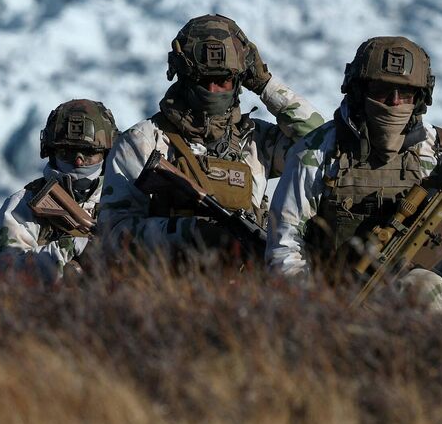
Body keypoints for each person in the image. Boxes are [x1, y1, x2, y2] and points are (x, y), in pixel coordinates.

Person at [266, 37, 442, 314]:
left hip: (422, 300)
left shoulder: (439, 151)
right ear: (358, 91)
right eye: (381, 91)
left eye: (406, 93)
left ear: (421, 98)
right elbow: (285, 247)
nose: (394, 102)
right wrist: (313, 309)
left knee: (427, 289)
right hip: (339, 298)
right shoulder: (318, 152)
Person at [99, 14, 325, 262]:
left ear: (240, 80)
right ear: (184, 77)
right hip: (169, 288)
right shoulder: (143, 141)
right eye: (203, 80)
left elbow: (318, 141)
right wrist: (189, 233)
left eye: (223, 80)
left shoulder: (257, 141)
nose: (213, 90)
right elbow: (113, 236)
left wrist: (265, 84)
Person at [0, 99, 117, 285]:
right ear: (51, 151)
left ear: (106, 154)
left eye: (88, 153)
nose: (78, 162)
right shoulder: (22, 206)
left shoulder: (125, 198)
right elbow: (5, 276)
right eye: (67, 152)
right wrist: (70, 247)